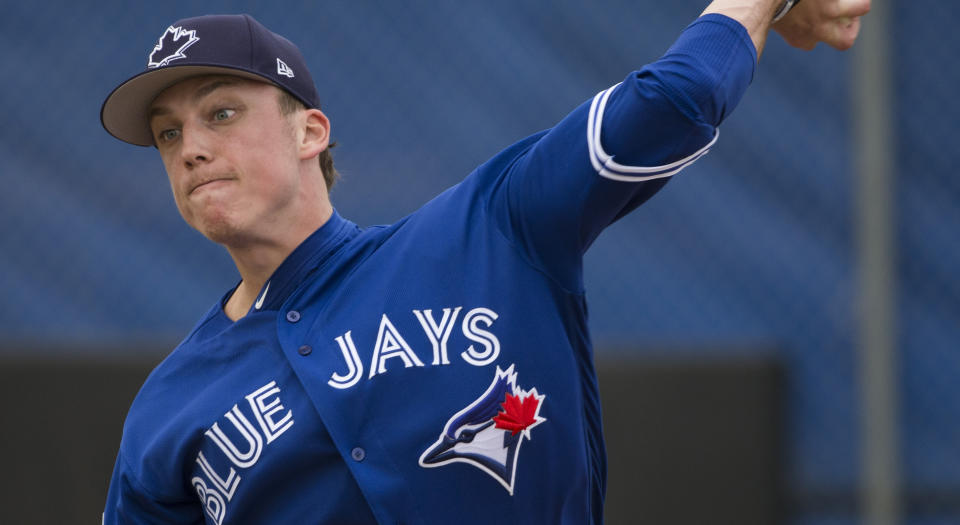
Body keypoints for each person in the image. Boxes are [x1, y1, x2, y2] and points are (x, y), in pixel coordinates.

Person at [100, 0, 870, 523]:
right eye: (168, 133)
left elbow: (673, 98)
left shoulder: (491, 229)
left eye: (221, 112)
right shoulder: (166, 410)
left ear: (309, 133)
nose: (192, 146)